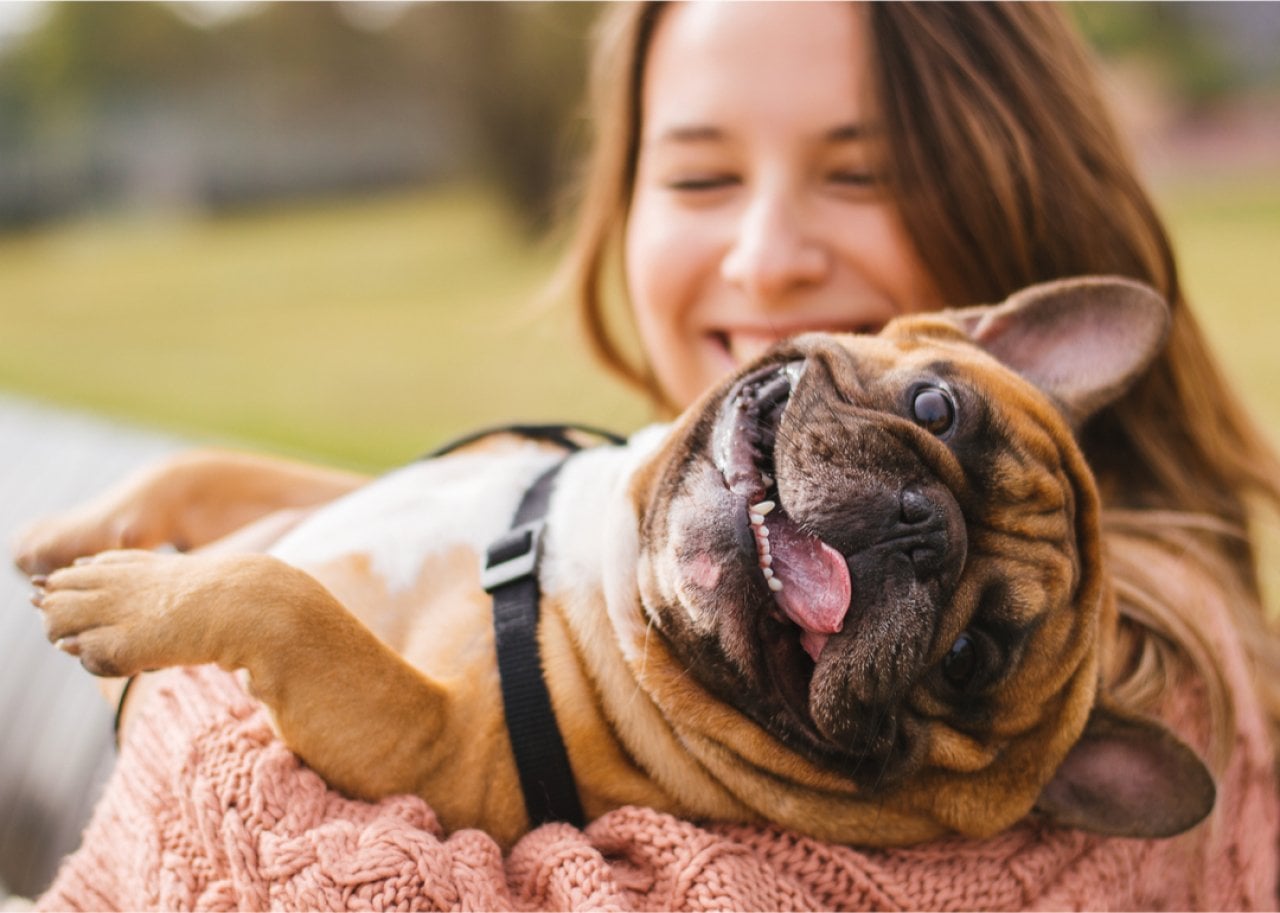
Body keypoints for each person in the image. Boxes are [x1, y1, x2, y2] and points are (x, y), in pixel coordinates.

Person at [20, 3, 1280, 909]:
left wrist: (179, 678)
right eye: (698, 173)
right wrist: (203, 502)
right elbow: (409, 528)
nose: (763, 255)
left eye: (860, 174)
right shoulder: (649, 504)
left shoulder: (1155, 684)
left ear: (1010, 195)